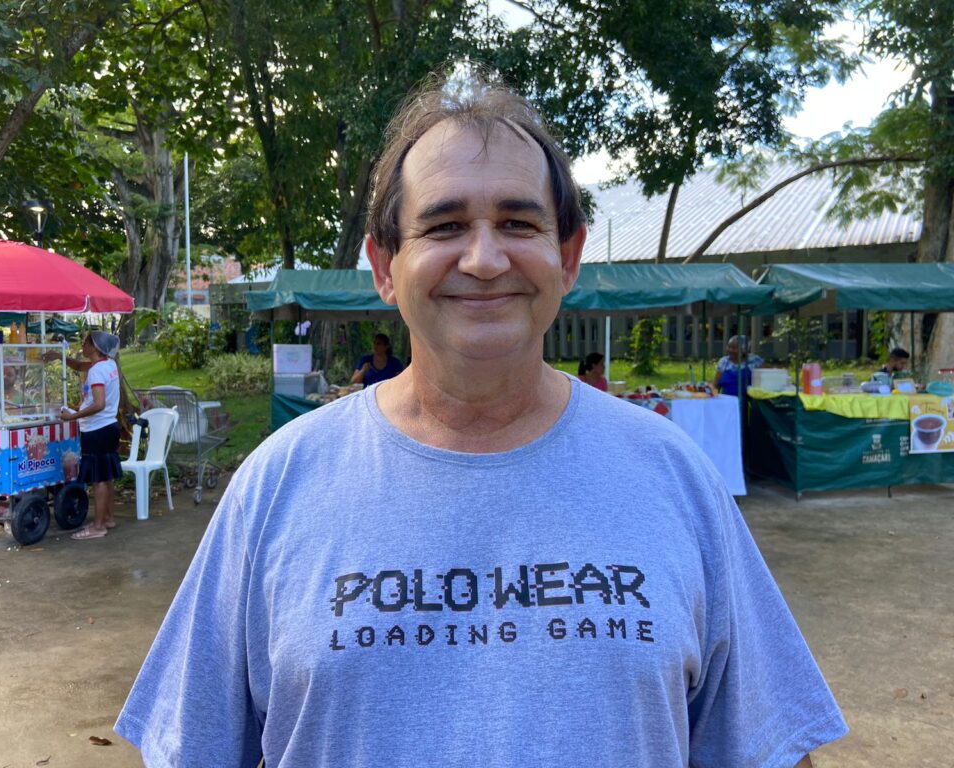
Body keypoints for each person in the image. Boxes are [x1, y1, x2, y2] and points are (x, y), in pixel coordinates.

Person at [115, 71, 845, 767]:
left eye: (518, 223)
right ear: (384, 266)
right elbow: (194, 747)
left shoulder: (674, 475)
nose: (486, 258)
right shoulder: (277, 484)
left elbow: (766, 749)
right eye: (445, 225)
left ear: (568, 257)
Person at [54, 331, 123, 540]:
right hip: (109, 427)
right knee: (106, 477)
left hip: (96, 430)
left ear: (95, 347)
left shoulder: (96, 372)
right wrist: (59, 357)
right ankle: (108, 518)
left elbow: (99, 404)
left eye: (85, 343)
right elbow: (78, 366)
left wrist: (73, 416)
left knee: (98, 480)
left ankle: (98, 527)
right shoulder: (108, 364)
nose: (82, 346)